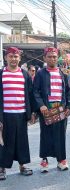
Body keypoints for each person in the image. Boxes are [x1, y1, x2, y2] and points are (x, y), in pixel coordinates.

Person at [33, 47, 70, 173]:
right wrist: (41, 105)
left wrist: (69, 107)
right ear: (44, 58)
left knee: (60, 135)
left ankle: (61, 160)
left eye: (54, 56)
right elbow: (35, 91)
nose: (52, 59)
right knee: (46, 135)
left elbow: (69, 91)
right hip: (46, 109)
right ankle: (44, 160)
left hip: (61, 108)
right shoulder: (40, 74)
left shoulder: (63, 74)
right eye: (49, 56)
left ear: (57, 58)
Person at [0, 47, 35, 180]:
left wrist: (31, 113)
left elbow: (30, 94)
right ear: (6, 58)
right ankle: (2, 168)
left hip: (21, 114)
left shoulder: (25, 74)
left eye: (16, 57)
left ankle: (22, 166)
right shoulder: (1, 73)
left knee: (22, 141)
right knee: (4, 142)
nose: (13, 59)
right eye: (11, 56)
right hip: (5, 114)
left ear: (19, 58)